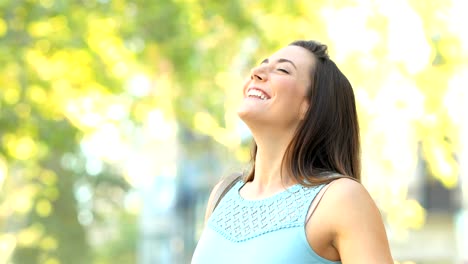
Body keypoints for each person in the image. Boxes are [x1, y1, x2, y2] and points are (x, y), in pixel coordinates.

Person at [191, 40, 393, 263]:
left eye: (282, 70)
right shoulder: (223, 195)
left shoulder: (341, 198)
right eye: (261, 64)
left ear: (310, 106)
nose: (256, 72)